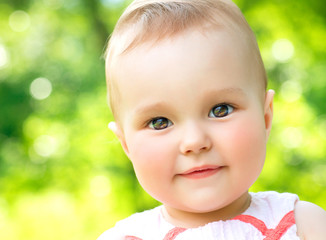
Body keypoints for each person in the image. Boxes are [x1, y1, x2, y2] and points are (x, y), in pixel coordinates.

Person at [98, 0, 326, 239]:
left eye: (220, 110)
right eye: (160, 122)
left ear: (266, 117)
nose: (194, 141)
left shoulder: (304, 225)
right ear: (126, 144)